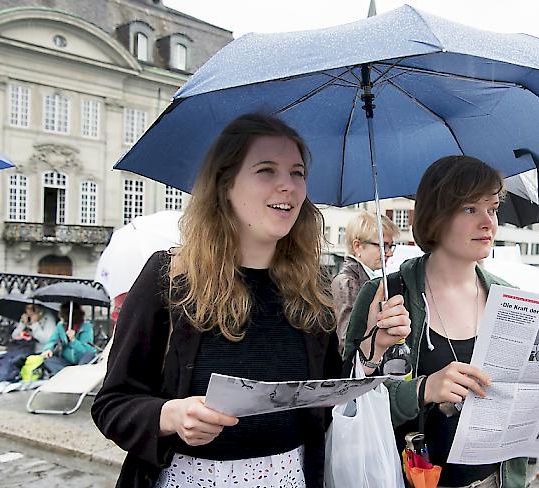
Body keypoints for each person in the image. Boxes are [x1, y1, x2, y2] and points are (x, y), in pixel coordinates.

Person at [91, 113, 410, 488]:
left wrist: (373, 349)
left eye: (297, 173)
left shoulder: (311, 287)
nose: (288, 186)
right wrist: (171, 415)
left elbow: (322, 403)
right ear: (225, 185)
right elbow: (112, 403)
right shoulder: (170, 277)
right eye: (266, 171)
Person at [344, 155, 539, 488]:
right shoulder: (386, 294)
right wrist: (421, 386)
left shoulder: (511, 298)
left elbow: (523, 403)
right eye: (470, 209)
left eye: (492, 209)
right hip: (407, 476)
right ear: (435, 216)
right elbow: (347, 400)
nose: (488, 223)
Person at [331, 210, 399, 354]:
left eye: (391, 246)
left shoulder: (366, 280)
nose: (390, 252)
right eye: (383, 245)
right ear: (357, 246)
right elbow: (346, 341)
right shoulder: (348, 283)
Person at [41, 302, 96, 375]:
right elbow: (52, 340)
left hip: (82, 360)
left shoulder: (86, 327)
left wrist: (74, 341)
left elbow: (87, 350)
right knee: (48, 360)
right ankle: (67, 375)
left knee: (90, 354)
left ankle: (78, 374)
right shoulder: (60, 326)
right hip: (66, 362)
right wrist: (48, 349)